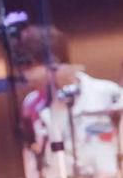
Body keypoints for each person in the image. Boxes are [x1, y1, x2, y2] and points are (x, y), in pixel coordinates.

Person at [17, 25, 123, 178]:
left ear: (52, 63)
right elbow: (32, 163)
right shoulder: (32, 104)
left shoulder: (108, 94)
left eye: (29, 67)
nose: (26, 77)